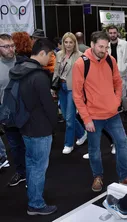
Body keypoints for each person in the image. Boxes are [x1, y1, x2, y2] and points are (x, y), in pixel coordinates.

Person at [72, 31, 127, 192]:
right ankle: (97, 176)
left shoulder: (110, 60)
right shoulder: (81, 64)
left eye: (106, 47)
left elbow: (118, 82)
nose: (104, 50)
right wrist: (86, 119)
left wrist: (116, 100)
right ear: (92, 44)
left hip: (112, 114)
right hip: (93, 116)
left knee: (122, 142)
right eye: (100, 46)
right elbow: (77, 95)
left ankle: (124, 176)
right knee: (94, 149)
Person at [9, 39, 57, 215]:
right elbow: (48, 105)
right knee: (39, 167)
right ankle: (36, 204)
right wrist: (54, 125)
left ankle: (32, 196)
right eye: (51, 55)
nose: (51, 58)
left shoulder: (20, 69)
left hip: (25, 126)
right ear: (42, 53)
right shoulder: (38, 76)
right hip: (40, 129)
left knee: (31, 163)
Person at [53, 32, 87, 154]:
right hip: (61, 87)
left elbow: (83, 75)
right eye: (66, 42)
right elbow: (56, 71)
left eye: (70, 42)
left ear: (75, 43)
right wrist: (53, 87)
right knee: (68, 116)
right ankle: (82, 133)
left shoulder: (80, 56)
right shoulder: (59, 54)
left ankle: (68, 144)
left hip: (73, 89)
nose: (68, 45)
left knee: (68, 118)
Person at [0, 34, 26, 186]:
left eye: (12, 45)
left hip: (25, 113)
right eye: (6, 46)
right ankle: (21, 172)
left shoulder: (23, 63)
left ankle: (32, 175)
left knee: (29, 146)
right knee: (15, 147)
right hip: (7, 116)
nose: (11, 49)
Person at [107, 25, 127, 123]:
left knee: (122, 95)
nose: (113, 35)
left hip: (121, 74)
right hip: (108, 75)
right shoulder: (106, 45)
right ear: (108, 34)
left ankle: (126, 111)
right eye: (110, 33)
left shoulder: (124, 44)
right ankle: (114, 113)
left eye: (114, 33)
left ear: (117, 33)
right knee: (110, 95)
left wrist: (125, 66)